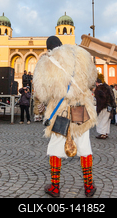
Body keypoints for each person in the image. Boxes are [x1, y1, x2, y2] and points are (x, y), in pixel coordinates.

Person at [33, 36, 98, 197]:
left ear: (49, 48)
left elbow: (42, 92)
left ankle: (55, 187)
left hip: (60, 110)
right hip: (79, 107)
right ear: (61, 45)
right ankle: (89, 186)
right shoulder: (79, 55)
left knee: (56, 145)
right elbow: (91, 79)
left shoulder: (46, 60)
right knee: (83, 143)